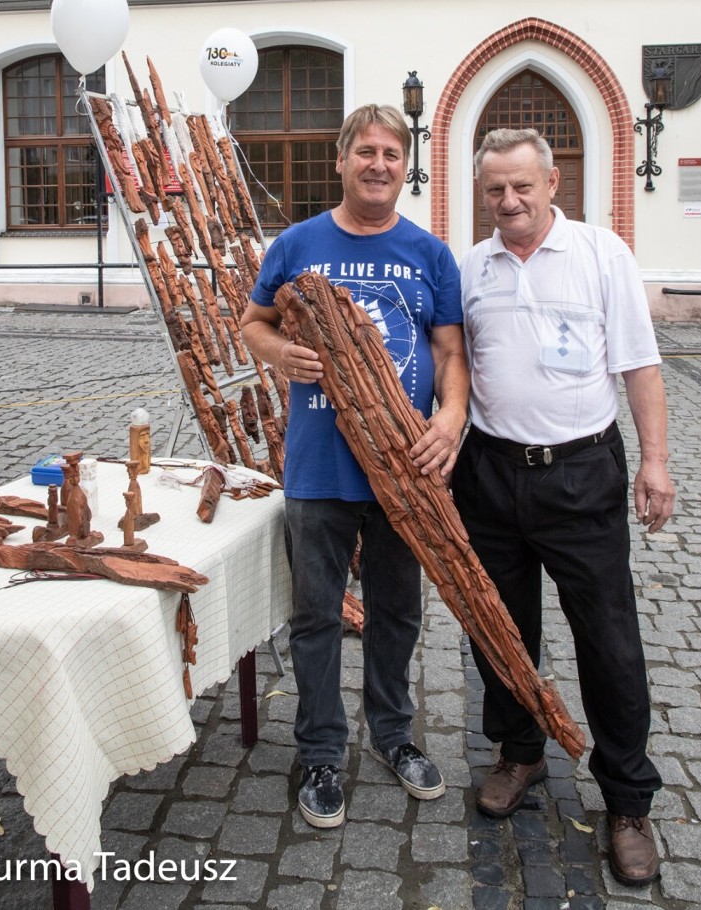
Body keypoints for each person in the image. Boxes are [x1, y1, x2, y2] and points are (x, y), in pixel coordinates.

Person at [451, 127, 675, 888]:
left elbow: (639, 363)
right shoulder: (471, 267)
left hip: (580, 475)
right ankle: (518, 752)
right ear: (481, 192)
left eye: (522, 186)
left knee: (609, 642)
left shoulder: (601, 253)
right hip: (489, 474)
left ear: (553, 184)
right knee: (501, 632)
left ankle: (626, 802)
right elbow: (456, 363)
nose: (508, 201)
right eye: (494, 190)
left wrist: (654, 461)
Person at [240, 104, 469, 829]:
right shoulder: (298, 243)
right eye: (365, 151)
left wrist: (452, 419)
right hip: (319, 466)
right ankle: (319, 751)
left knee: (398, 612)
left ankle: (394, 736)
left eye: (391, 154)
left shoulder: (429, 254)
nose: (378, 164)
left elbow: (450, 353)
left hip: (405, 467)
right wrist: (279, 354)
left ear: (406, 167)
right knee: (314, 617)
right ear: (340, 161)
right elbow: (251, 323)